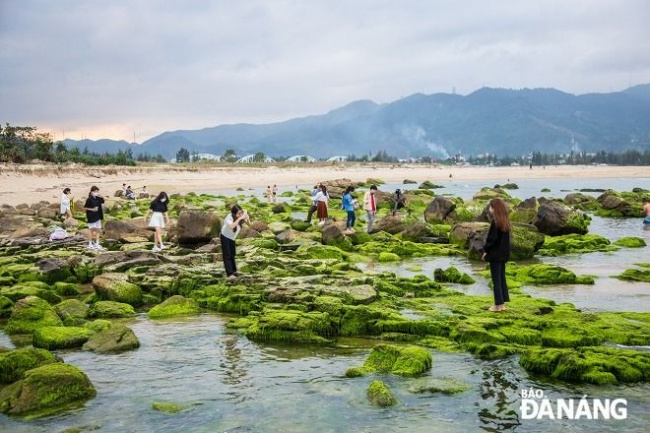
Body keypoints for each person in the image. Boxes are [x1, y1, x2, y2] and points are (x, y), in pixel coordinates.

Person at [481, 198, 511, 312]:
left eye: (490, 207)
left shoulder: (496, 222)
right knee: (502, 278)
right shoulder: (505, 221)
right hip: (503, 255)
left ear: (495, 209)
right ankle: (503, 304)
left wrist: (485, 251)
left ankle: (498, 305)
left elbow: (491, 239)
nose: (489, 209)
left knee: (496, 280)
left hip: (495, 255)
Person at [221, 205, 250, 280]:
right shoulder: (229, 217)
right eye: (238, 213)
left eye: (241, 213)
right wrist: (240, 218)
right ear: (234, 214)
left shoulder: (240, 216)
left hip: (232, 238)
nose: (240, 215)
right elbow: (231, 227)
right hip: (225, 236)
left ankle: (234, 272)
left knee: (233, 255)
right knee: (227, 255)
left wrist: (246, 216)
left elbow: (249, 224)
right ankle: (230, 274)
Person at [84, 186, 105, 250]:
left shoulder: (98, 198)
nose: (96, 193)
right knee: (91, 230)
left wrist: (100, 196)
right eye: (95, 191)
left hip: (98, 216)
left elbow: (103, 201)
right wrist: (92, 209)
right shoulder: (89, 199)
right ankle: (90, 243)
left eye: (97, 191)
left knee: (98, 230)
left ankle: (97, 243)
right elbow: (85, 207)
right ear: (92, 192)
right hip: (91, 216)